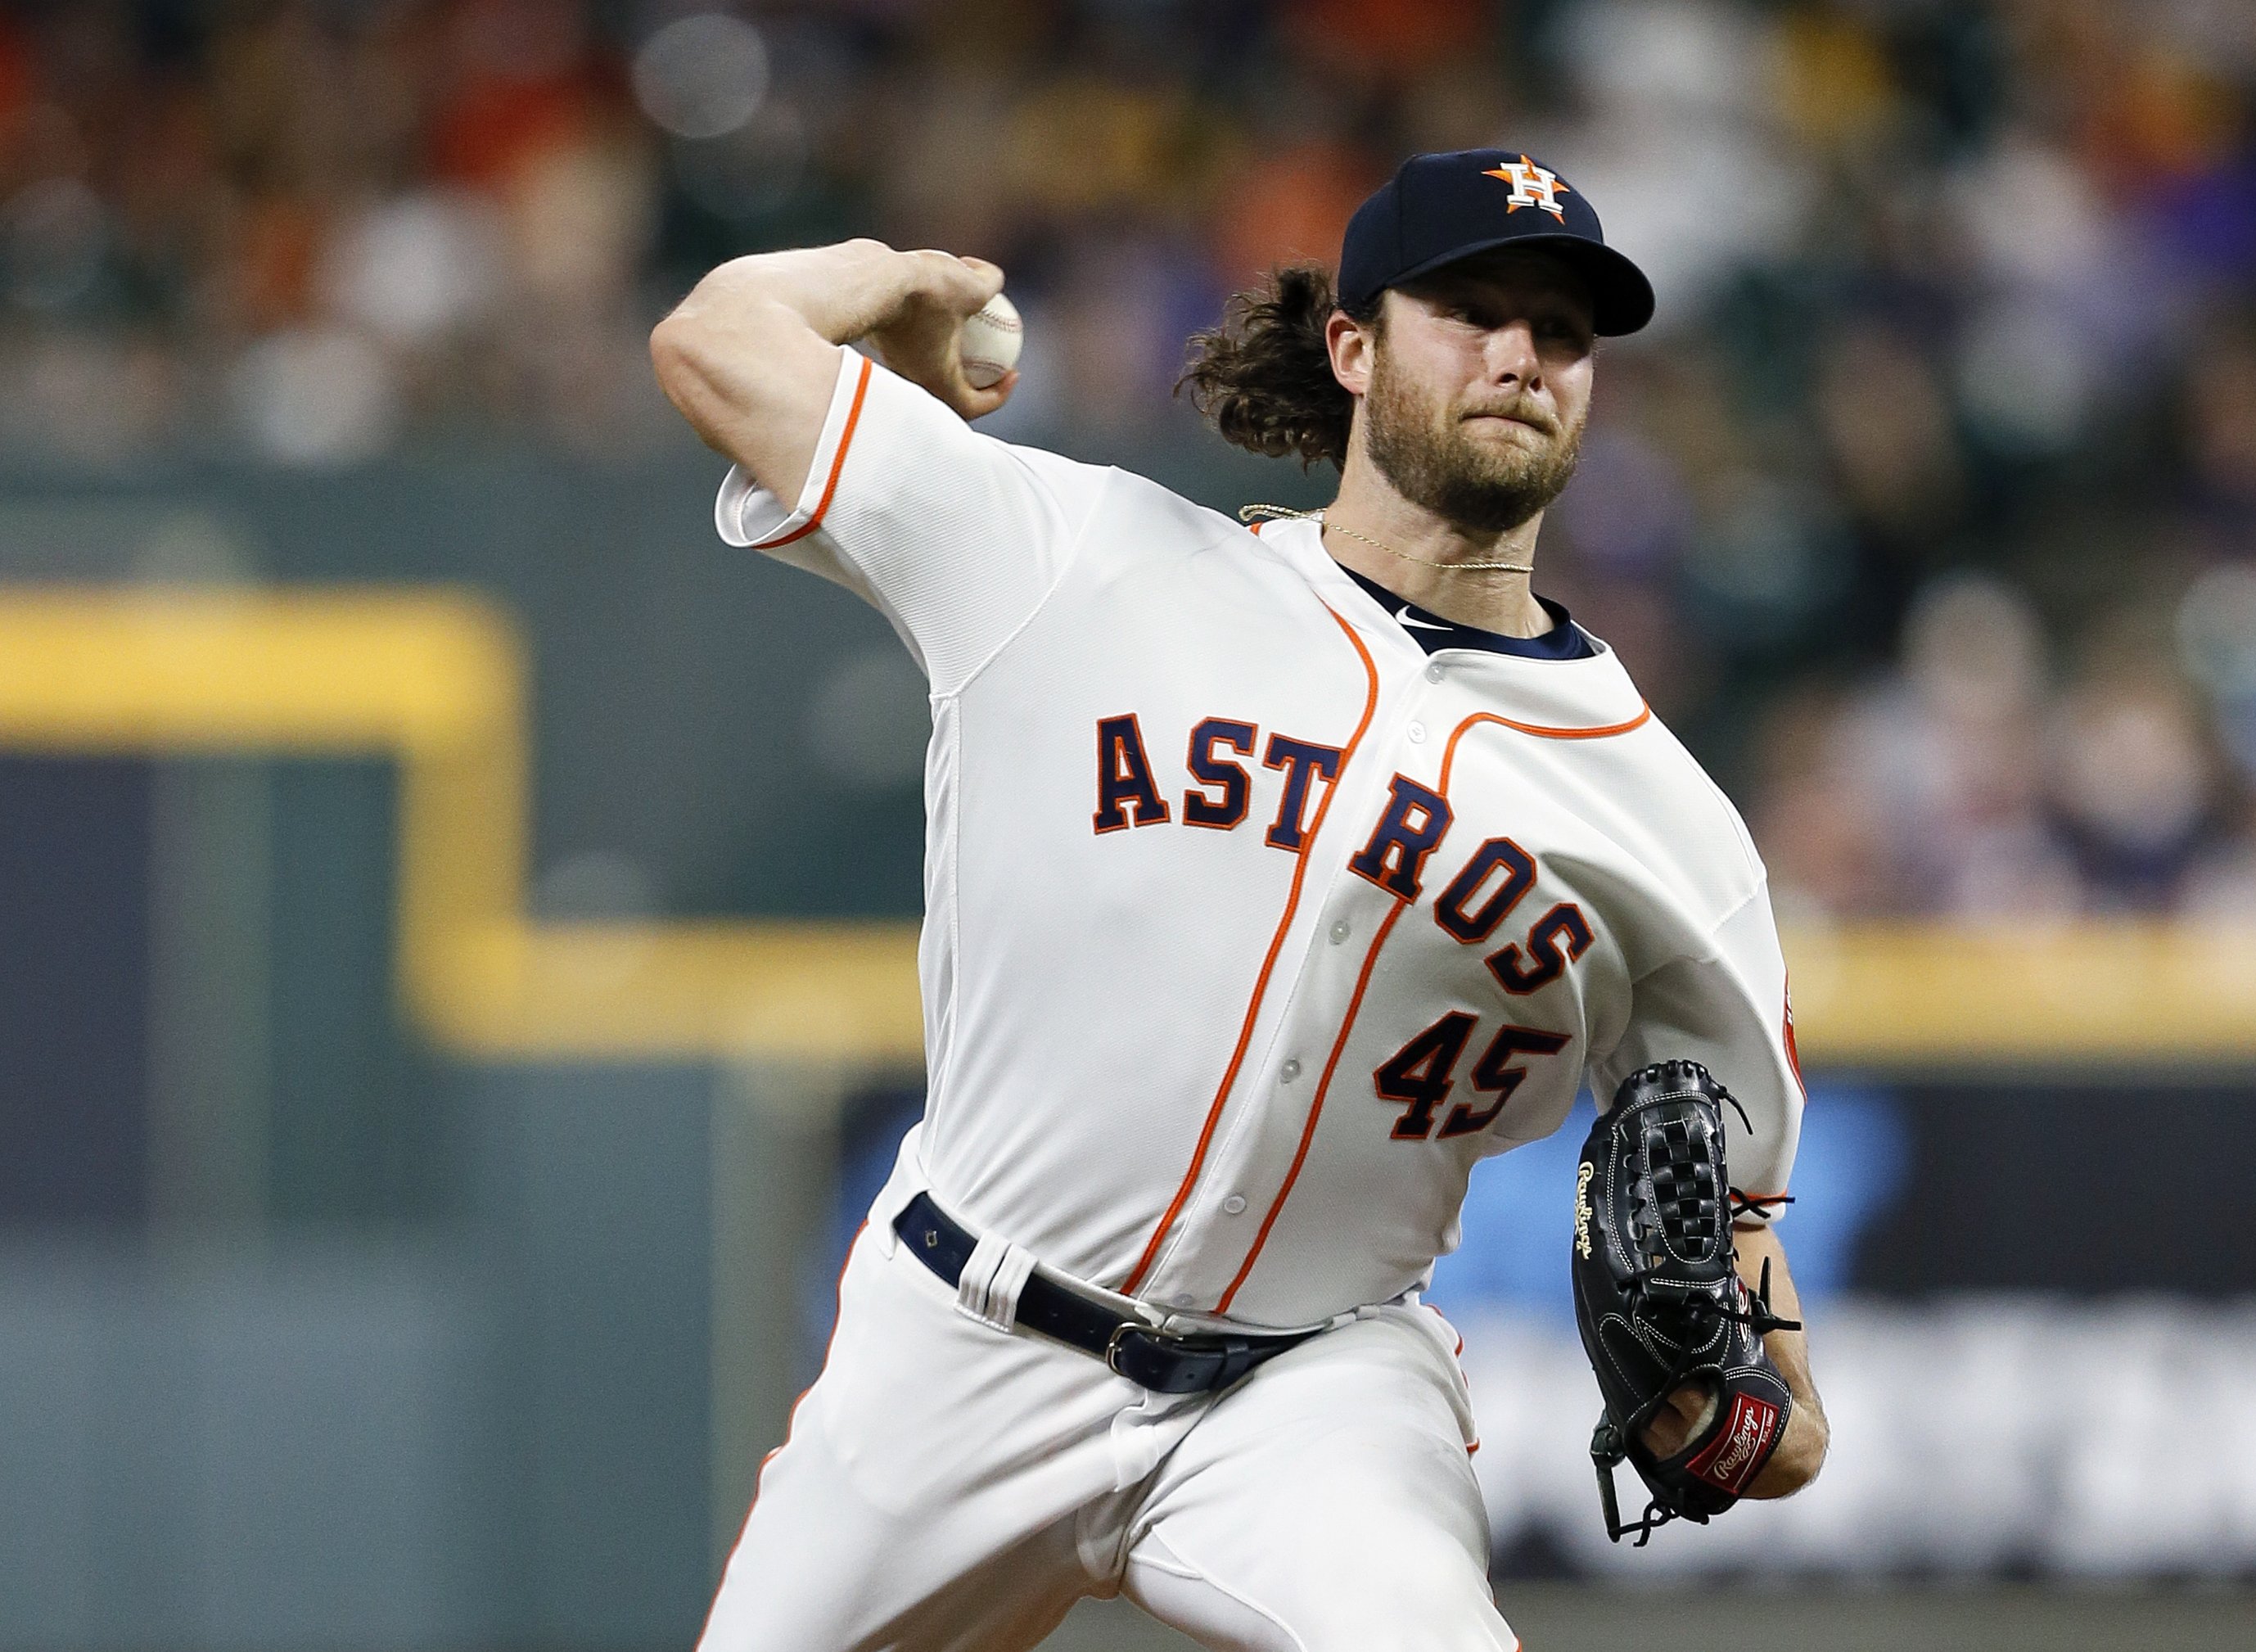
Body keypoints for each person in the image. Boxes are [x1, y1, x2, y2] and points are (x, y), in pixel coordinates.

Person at [651, 148, 1826, 1652]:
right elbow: (714, 339)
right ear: (1351, 347)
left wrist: (1762, 1428)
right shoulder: (1075, 561)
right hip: (960, 1336)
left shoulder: (1671, 827)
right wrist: (905, 281)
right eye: (1469, 308)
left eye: (1562, 329)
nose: (1520, 353)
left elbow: (1744, 1272)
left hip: (1311, 1392)